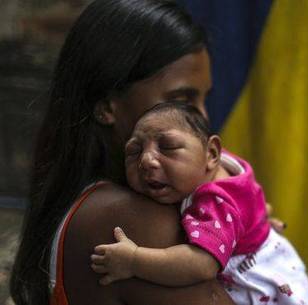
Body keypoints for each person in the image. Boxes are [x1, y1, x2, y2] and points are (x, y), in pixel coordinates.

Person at [9, 0, 240, 304]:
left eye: (202, 100)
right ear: (107, 107)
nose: (202, 119)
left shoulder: (89, 199)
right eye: (181, 100)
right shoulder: (129, 218)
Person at [90, 102, 308, 305]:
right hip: (286, 269)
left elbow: (202, 265)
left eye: (167, 147)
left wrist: (134, 260)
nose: (146, 161)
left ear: (212, 153)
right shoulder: (217, 164)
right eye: (134, 151)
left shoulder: (216, 201)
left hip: (264, 290)